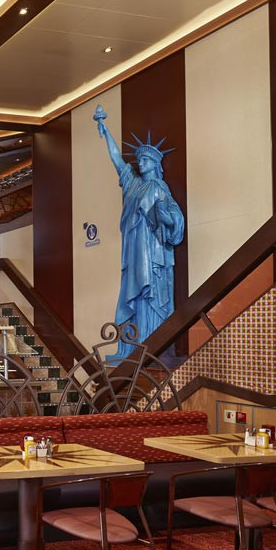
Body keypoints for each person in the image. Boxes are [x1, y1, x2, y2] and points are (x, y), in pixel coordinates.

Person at [94, 105, 185, 359]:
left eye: (145, 160)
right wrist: (105, 130)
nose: (141, 163)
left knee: (149, 293)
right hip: (134, 249)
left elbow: (175, 216)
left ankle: (151, 344)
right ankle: (130, 347)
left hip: (153, 251)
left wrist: (168, 219)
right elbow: (117, 160)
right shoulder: (132, 185)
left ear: (155, 164)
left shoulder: (159, 187)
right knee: (132, 293)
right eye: (140, 160)